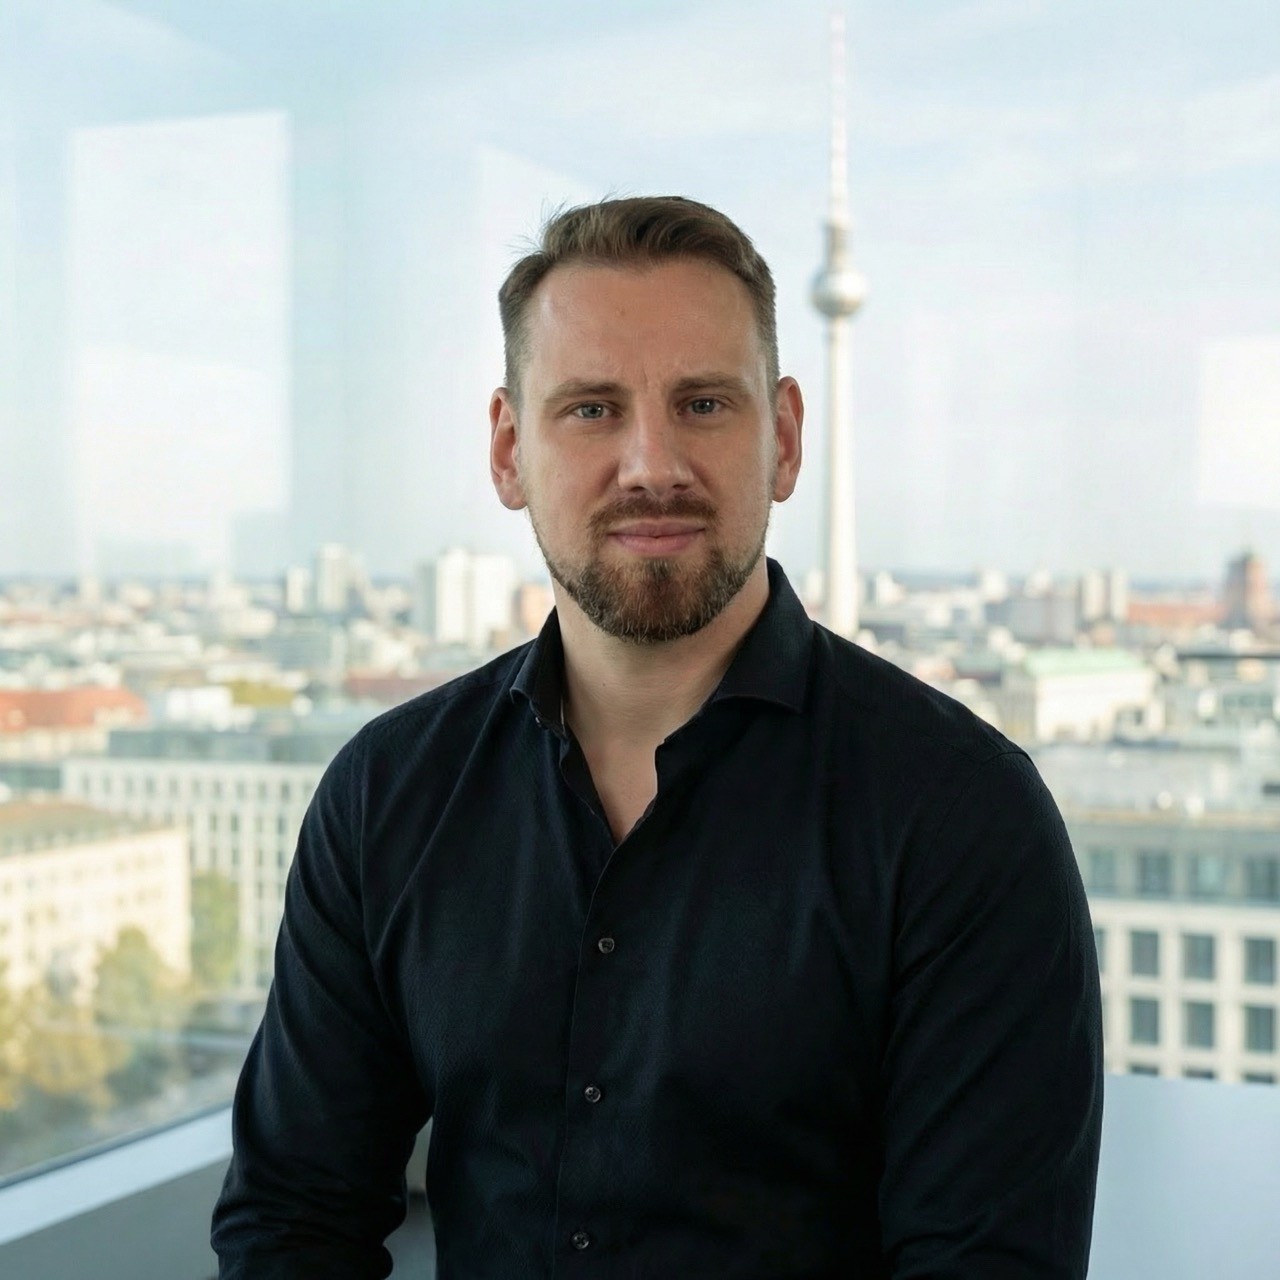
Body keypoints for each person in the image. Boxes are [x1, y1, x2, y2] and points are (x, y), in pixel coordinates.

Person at [212, 195, 1103, 1279]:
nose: (649, 463)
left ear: (782, 437)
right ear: (507, 450)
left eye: (701, 404)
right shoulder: (386, 794)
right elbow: (291, 1222)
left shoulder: (960, 815)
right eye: (590, 409)